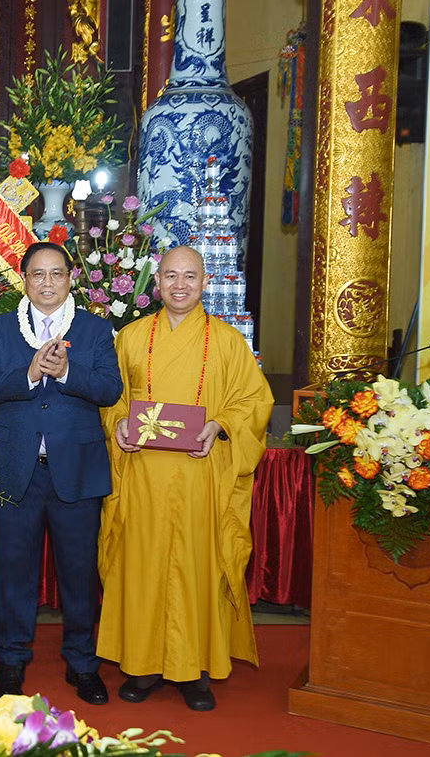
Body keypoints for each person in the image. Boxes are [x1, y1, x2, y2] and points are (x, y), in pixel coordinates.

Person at [97, 246, 272, 711]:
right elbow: (110, 398)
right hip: (143, 477)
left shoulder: (228, 342)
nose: (180, 285)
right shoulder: (131, 338)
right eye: (171, 276)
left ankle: (195, 668)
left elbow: (254, 402)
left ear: (205, 282)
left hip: (202, 476)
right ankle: (143, 665)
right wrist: (118, 424)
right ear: (156, 282)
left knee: (198, 568)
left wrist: (220, 425)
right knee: (143, 567)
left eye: (190, 276)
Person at [0, 242, 122, 704]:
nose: (48, 282)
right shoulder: (1, 328)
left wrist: (69, 371)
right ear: (24, 280)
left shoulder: (95, 329)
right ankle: (11, 661)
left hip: (76, 470)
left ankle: (83, 663)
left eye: (57, 273)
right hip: (18, 470)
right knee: (14, 571)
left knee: (79, 573)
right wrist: (29, 374)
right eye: (38, 274)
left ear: (71, 279)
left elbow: (110, 389)